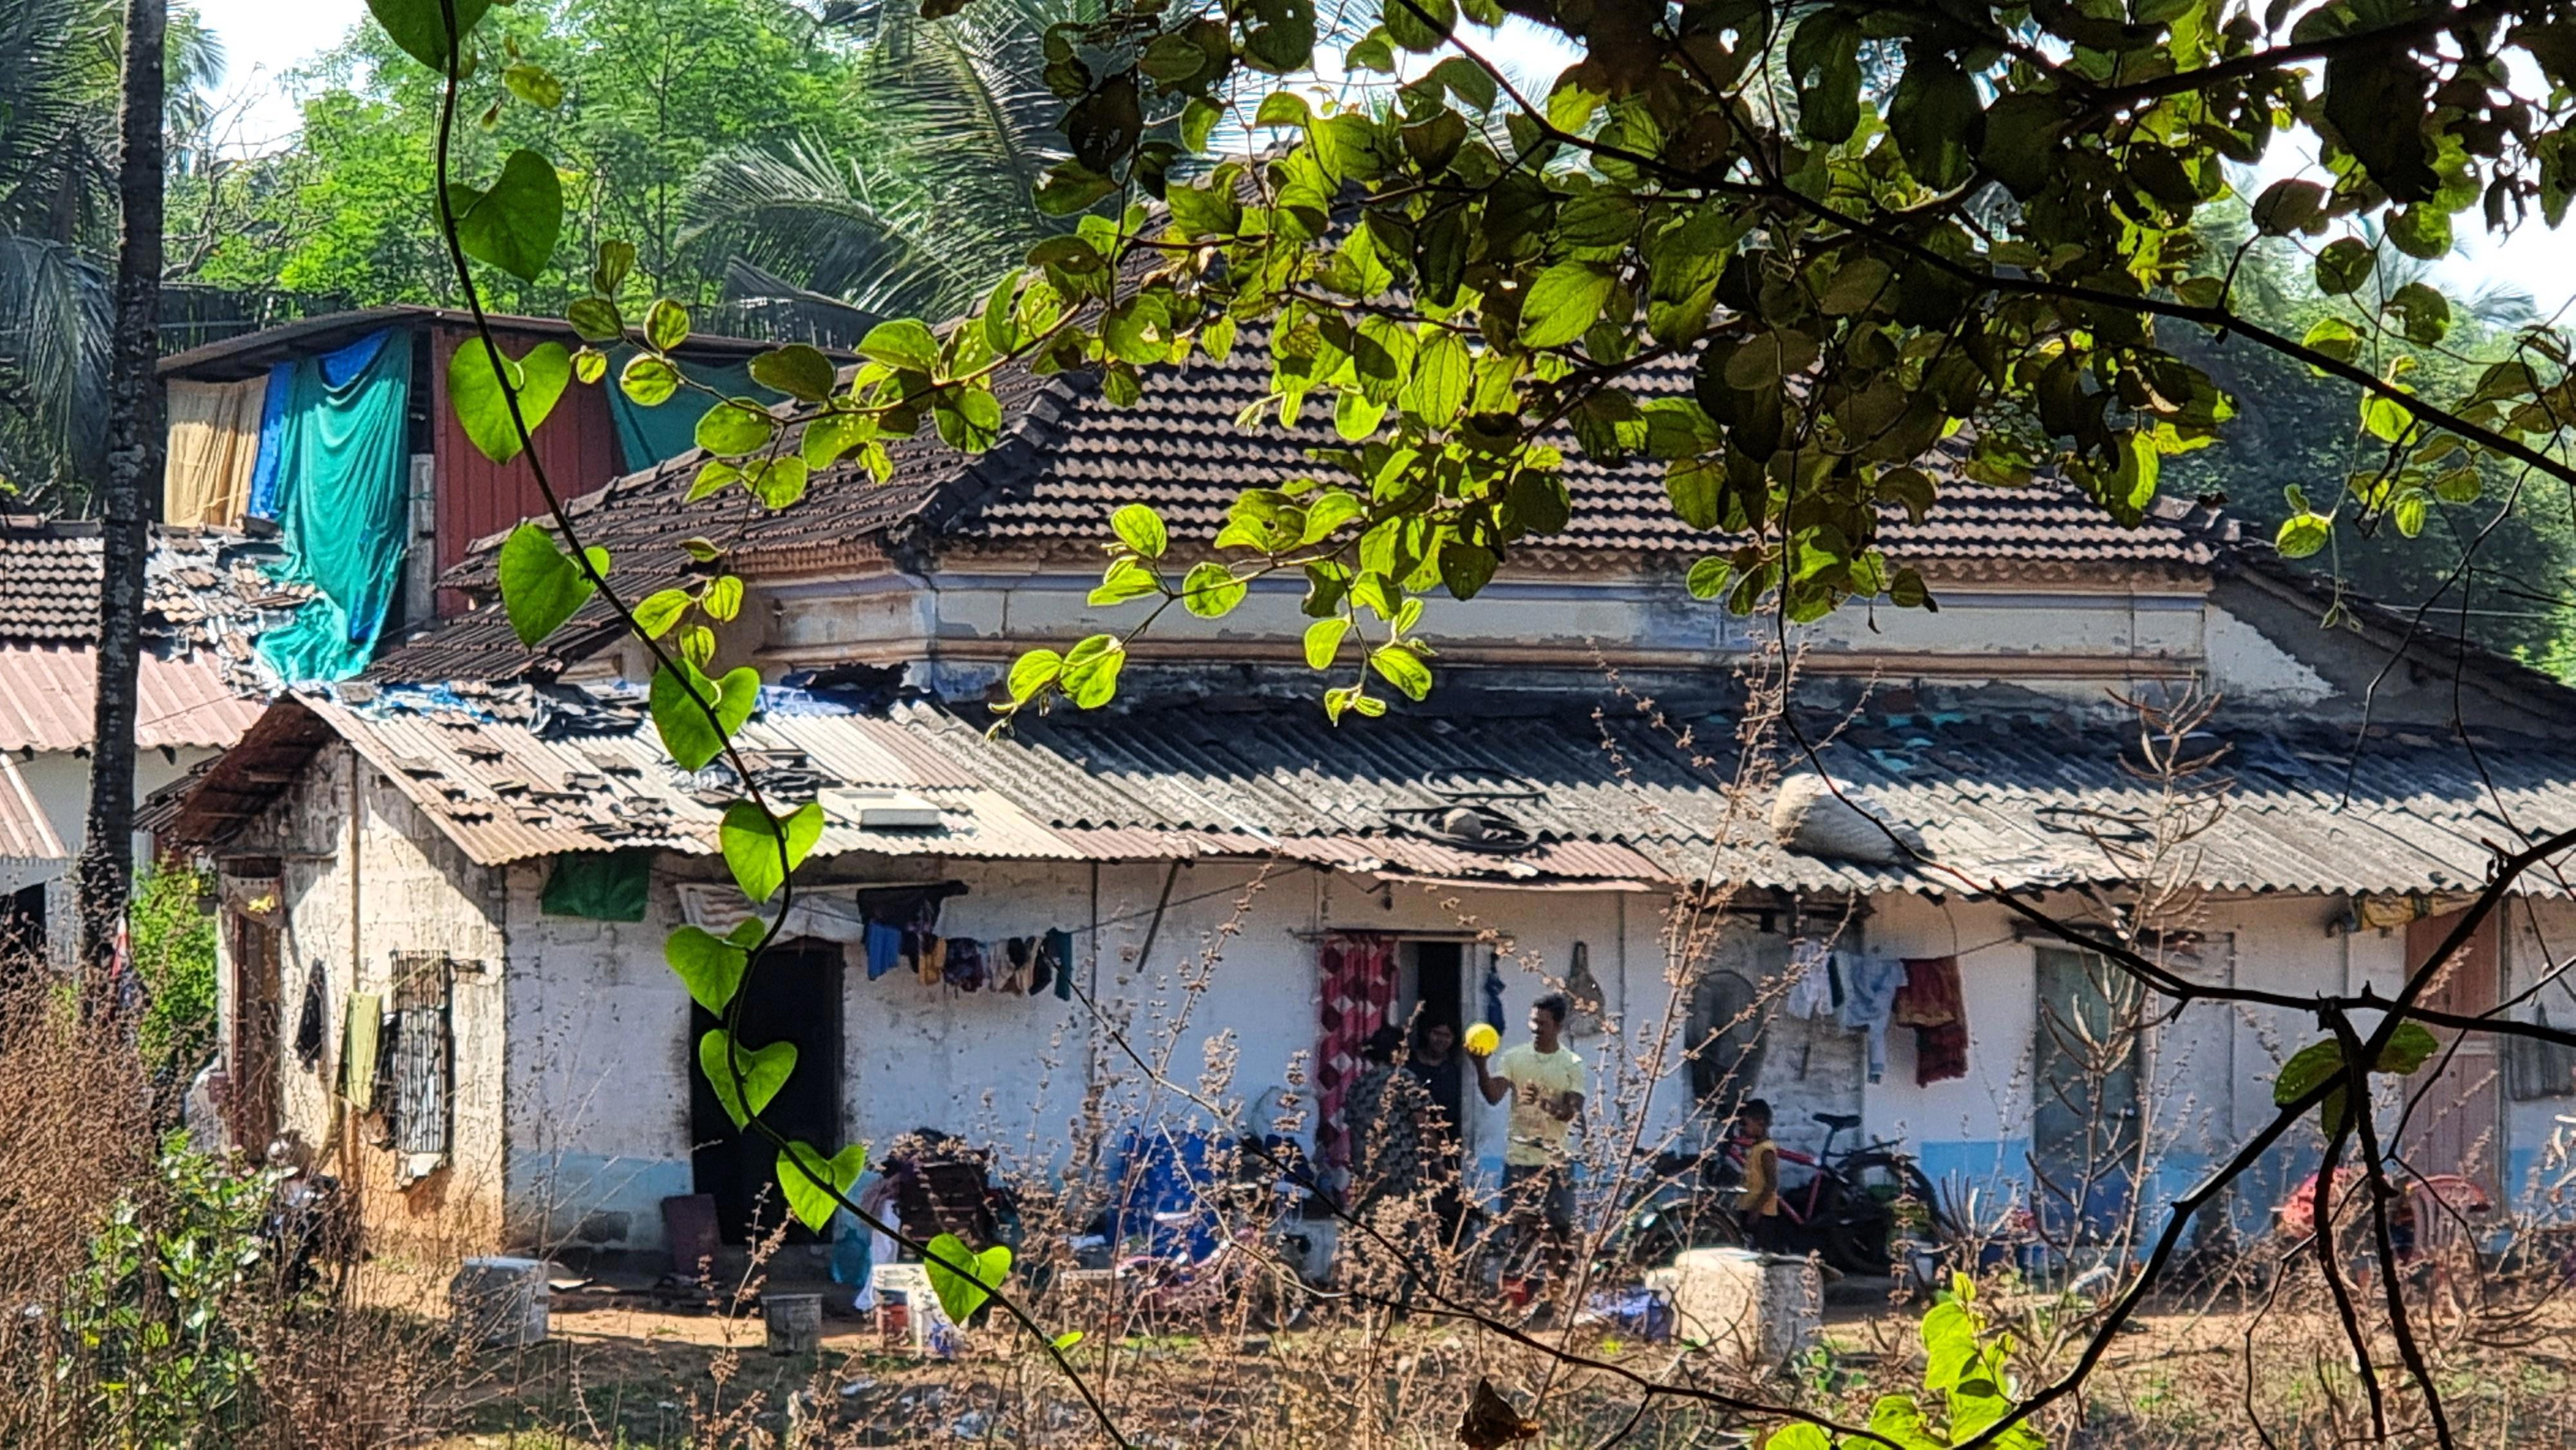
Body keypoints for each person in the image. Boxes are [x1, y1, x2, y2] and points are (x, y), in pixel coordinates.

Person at [1470, 993, 1587, 1283]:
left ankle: (1556, 1290)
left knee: (1558, 1232)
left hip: (1557, 1162)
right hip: (1520, 1161)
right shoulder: (1514, 1058)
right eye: (1533, 1022)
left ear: (1558, 1026)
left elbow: (1570, 1113)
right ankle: (1517, 1292)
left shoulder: (1572, 1064)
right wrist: (1480, 1065)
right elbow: (1493, 1096)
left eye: (1542, 1024)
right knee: (1518, 1231)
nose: (1535, 1028)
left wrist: (1543, 1103)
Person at [1342, 1025, 1435, 1210]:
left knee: (1371, 1216)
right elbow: (1422, 1122)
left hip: (1367, 1166)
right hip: (1401, 1168)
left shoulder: (1358, 1085)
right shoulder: (1404, 1078)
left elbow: (1352, 1128)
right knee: (1405, 1217)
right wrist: (1437, 1160)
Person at [1406, 1018, 1469, 1242]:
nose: (1441, 1040)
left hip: (1449, 1147)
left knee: (1448, 1204)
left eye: (1447, 1036)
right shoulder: (1410, 1069)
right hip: (1413, 1148)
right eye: (1436, 1033)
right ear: (1427, 1034)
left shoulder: (1456, 1071)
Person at [1731, 1098, 1788, 1253]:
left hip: (1762, 1213)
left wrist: (1757, 1210)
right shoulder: (1755, 1148)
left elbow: (1771, 1183)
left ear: (1760, 1123)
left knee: (1761, 1253)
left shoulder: (1766, 1151)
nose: (1742, 1130)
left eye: (1745, 1124)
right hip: (1749, 1207)